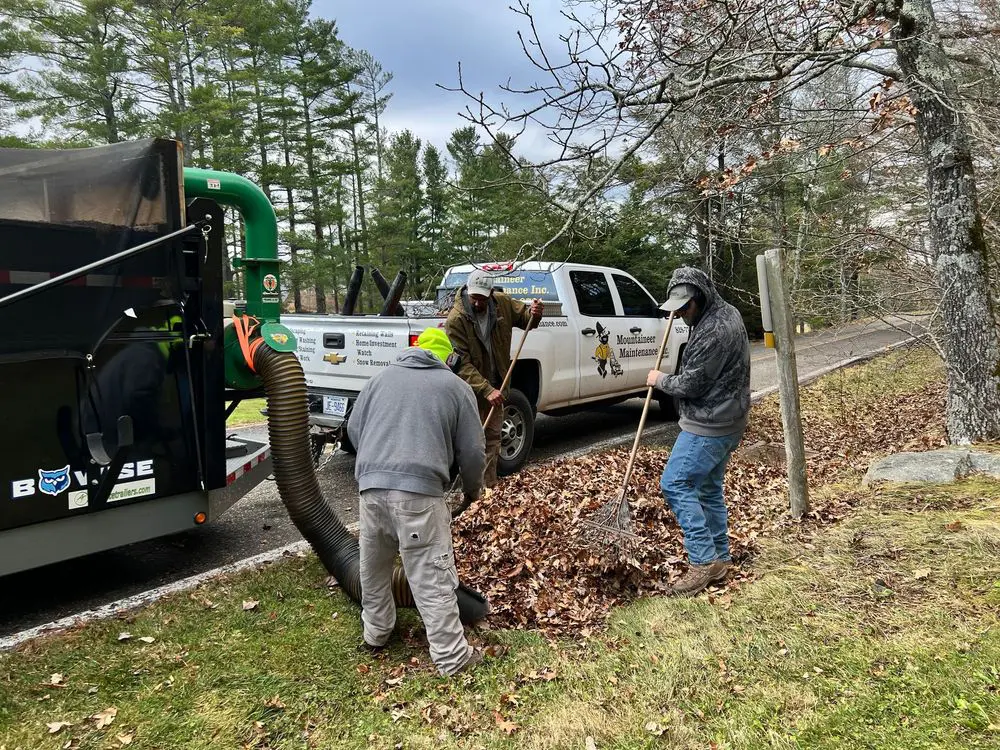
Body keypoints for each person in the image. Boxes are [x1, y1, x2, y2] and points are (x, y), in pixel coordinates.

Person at [347, 327, 486, 676]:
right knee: (431, 575)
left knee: (373, 567)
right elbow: (472, 451)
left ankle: (376, 633)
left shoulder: (378, 380)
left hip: (370, 490)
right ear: (448, 359)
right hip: (419, 495)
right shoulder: (456, 387)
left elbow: (352, 430)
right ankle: (453, 658)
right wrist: (473, 490)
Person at [646, 267, 751, 596]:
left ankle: (703, 562)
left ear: (701, 297)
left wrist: (658, 380)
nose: (679, 315)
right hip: (728, 418)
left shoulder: (713, 330)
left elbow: (692, 383)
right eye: (676, 309)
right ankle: (720, 557)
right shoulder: (723, 313)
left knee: (675, 483)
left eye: (684, 308)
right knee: (707, 490)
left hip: (710, 423)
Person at [445, 268, 542, 488]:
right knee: (471, 443)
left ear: (490, 294)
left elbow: (526, 318)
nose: (478, 303)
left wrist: (535, 313)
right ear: (468, 292)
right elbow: (461, 363)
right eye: (474, 298)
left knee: (493, 438)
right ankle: (467, 489)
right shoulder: (456, 319)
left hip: (497, 383)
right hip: (470, 390)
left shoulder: (502, 303)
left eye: (482, 298)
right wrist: (485, 389)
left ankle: (487, 489)